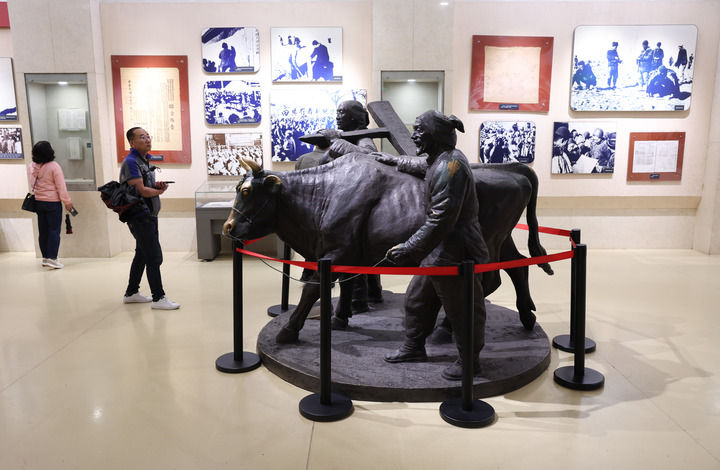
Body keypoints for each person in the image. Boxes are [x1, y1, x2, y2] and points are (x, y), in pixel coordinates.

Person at [378, 110, 489, 381]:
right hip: (437, 251)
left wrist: (409, 247)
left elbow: (441, 219)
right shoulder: (440, 160)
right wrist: (395, 160)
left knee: (462, 310)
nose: (414, 135)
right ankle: (414, 347)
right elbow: (424, 166)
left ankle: (469, 362)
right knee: (417, 299)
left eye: (419, 130)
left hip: (456, 253)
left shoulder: (452, 167)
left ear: (436, 135)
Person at [318, 100, 384, 315]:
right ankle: (373, 293)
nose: (338, 117)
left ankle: (358, 300)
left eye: (342, 113)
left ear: (355, 117)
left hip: (360, 206)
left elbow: (368, 157)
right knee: (363, 255)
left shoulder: (363, 139)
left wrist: (335, 141)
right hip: (353, 202)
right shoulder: (351, 137)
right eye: (337, 112)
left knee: (354, 255)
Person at [119, 127, 180, 310]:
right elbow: (141, 191)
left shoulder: (144, 160)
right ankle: (158, 298)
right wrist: (159, 191)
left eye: (148, 136)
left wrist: (157, 186)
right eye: (142, 137)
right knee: (153, 256)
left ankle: (131, 293)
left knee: (142, 254)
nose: (147, 139)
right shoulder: (131, 162)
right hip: (140, 216)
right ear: (132, 142)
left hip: (149, 215)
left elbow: (146, 185)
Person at [27, 141, 73, 269]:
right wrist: (67, 201)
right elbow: (61, 186)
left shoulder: (31, 166)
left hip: (38, 202)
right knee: (54, 231)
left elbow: (32, 183)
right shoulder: (54, 166)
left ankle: (46, 257)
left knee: (43, 231)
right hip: (52, 203)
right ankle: (53, 258)